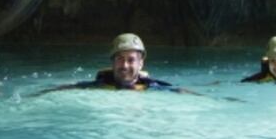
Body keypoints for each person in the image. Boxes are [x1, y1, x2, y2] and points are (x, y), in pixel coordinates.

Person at [36, 33, 174, 94]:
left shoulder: (153, 87)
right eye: (119, 59)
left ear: (141, 64)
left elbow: (179, 91)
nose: (124, 65)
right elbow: (69, 88)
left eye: (131, 60)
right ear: (112, 62)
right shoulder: (99, 85)